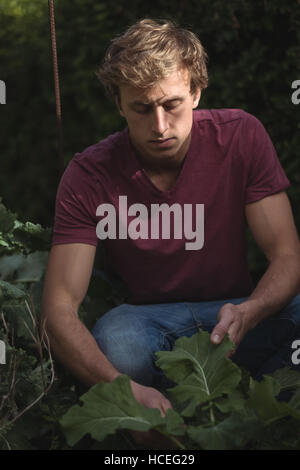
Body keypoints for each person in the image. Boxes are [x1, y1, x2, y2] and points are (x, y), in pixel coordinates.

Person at [41, 19, 300, 421]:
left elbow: (287, 255)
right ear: (119, 103)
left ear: (196, 92)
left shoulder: (241, 136)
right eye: (142, 109)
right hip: (145, 323)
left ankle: (250, 421)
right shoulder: (89, 173)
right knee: (118, 344)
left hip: (233, 314)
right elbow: (58, 307)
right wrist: (121, 393)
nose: (159, 126)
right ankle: (171, 421)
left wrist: (252, 311)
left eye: (172, 104)